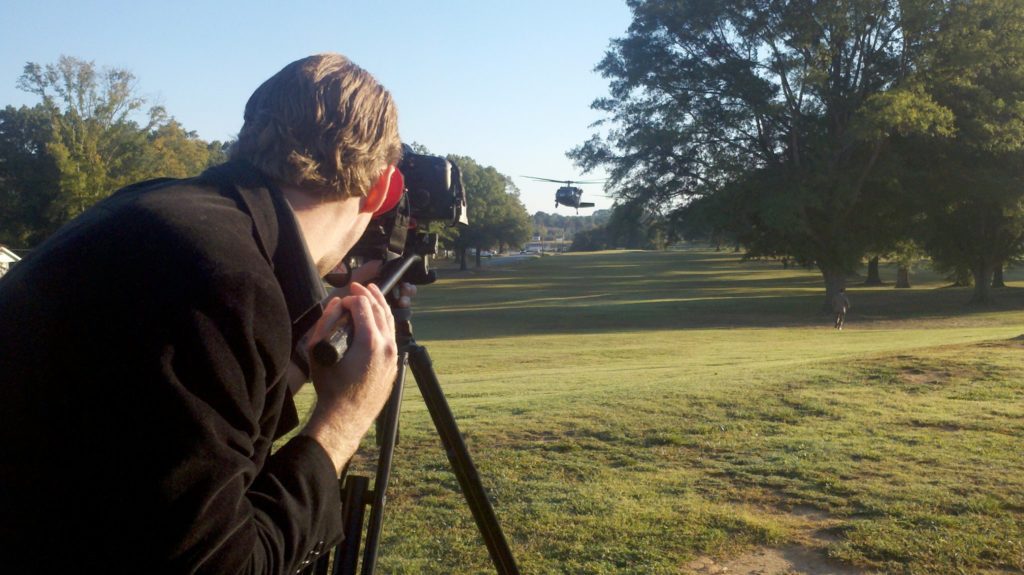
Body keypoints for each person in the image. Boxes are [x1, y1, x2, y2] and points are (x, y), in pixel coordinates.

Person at [0, 53, 407, 573]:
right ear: (381, 189)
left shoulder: (159, 212)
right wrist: (344, 418)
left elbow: (182, 430)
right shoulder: (229, 280)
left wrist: (304, 359)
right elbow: (221, 563)